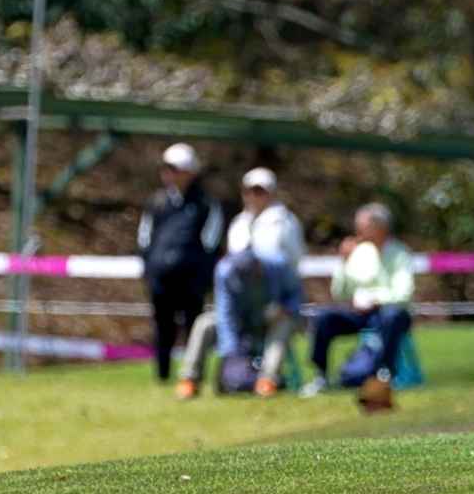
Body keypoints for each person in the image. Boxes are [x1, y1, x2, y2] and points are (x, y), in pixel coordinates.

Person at [300, 202, 414, 397]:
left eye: (364, 225)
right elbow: (340, 293)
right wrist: (343, 262)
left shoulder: (399, 253)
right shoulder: (359, 252)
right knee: (324, 318)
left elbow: (403, 294)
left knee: (392, 316)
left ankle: (384, 374)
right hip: (360, 313)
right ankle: (321, 376)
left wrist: (375, 299)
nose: (358, 230)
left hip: (388, 312)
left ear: (380, 227)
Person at [137, 143, 224, 382]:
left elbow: (211, 244)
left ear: (190, 172)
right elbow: (144, 239)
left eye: (174, 169)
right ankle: (162, 376)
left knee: (193, 329)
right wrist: (150, 271)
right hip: (161, 279)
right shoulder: (156, 202)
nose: (168, 174)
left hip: (191, 281)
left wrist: (202, 277)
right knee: (163, 328)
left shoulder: (206, 204)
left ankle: (191, 376)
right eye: (166, 169)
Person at [175, 249, 301, 399]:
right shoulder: (225, 271)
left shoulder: (279, 265)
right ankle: (190, 379)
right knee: (205, 323)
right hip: (239, 322)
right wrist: (232, 354)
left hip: (269, 320)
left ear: (258, 264)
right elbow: (225, 313)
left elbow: (296, 295)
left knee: (283, 324)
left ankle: (268, 379)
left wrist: (284, 308)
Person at [225, 167, 304, 276]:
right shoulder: (238, 222)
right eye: (247, 192)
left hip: (276, 282)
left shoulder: (286, 221)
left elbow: (294, 258)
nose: (252, 196)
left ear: (272, 193)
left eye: (258, 191)